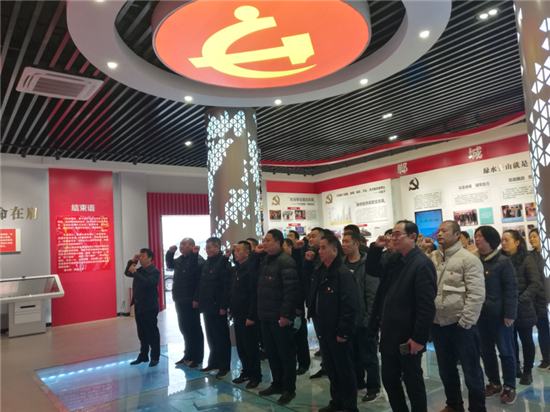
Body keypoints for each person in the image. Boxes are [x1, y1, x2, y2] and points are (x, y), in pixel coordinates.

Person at [365, 220, 437, 412]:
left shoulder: (422, 264)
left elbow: (426, 306)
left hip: (408, 336)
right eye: (392, 234)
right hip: (389, 332)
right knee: (389, 379)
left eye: (398, 234)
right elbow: (372, 270)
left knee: (413, 382)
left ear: (412, 237)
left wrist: (419, 338)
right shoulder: (394, 259)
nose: (393, 238)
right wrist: (376, 248)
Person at [419, 221, 486, 412]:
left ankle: (478, 408)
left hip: (460, 325)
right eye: (438, 230)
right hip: (438, 324)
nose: (439, 233)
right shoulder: (432, 257)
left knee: (472, 371)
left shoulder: (468, 259)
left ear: (457, 235)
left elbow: (476, 294)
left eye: (444, 230)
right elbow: (416, 268)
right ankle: (454, 405)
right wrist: (421, 248)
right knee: (446, 370)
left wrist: (466, 322)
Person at [305, 235, 359, 412]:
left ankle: (350, 406)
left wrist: (343, 331)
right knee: (332, 369)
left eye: (323, 248)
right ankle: (337, 401)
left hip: (338, 331)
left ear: (334, 250)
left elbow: (349, 305)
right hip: (324, 328)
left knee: (344, 370)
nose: (319, 251)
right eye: (319, 248)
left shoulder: (342, 273)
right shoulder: (321, 271)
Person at [471, 226, 518, 405]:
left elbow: (511, 289)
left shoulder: (503, 261)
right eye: (475, 236)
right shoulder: (475, 260)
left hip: (500, 316)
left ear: (491, 240)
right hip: (480, 315)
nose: (476, 239)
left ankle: (509, 386)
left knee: (506, 352)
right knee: (486, 352)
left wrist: (509, 314)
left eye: (480, 236)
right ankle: (494, 383)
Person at [255, 229, 300, 405]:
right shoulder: (266, 260)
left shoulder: (286, 261)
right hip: (265, 314)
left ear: (278, 243)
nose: (264, 243)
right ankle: (277, 383)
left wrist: (285, 315)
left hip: (279, 317)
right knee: (272, 353)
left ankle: (289, 389)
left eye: (268, 240)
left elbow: (291, 291)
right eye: (263, 240)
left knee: (285, 354)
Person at [341, 230, 381, 403]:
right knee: (354, 356)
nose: (343, 245)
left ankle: (374, 388)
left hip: (364, 321)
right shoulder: (341, 264)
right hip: (348, 321)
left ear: (357, 244)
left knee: (369, 357)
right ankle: (359, 383)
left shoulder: (366, 265)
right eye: (342, 241)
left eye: (347, 241)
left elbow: (372, 296)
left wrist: (369, 320)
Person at [501, 230, 540, 385]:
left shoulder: (526, 259)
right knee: (510, 341)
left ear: (517, 242)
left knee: (526, 341)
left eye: (507, 240)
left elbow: (534, 284)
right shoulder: (500, 259)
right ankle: (515, 367)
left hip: (523, 309)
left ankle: (527, 371)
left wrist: (519, 302)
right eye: (502, 240)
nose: (503, 243)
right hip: (505, 309)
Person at [224, 241, 262, 389]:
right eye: (235, 250)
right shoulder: (236, 269)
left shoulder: (250, 269)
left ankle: (255, 375)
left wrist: (251, 316)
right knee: (241, 346)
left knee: (251, 347)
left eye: (239, 250)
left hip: (247, 315)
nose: (236, 253)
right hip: (237, 314)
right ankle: (246, 372)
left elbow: (253, 294)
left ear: (247, 253)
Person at [193, 237, 232, 378]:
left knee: (221, 337)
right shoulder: (207, 262)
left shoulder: (225, 263)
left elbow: (226, 287)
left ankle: (224, 367)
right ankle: (213, 363)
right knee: (211, 337)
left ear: (218, 248)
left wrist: (223, 305)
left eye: (210, 247)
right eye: (206, 248)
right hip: (207, 305)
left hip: (217, 305)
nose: (207, 250)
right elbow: (201, 283)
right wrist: (197, 299)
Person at [166, 238, 205, 369]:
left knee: (194, 329)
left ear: (193, 246)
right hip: (180, 299)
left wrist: (196, 298)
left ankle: (198, 358)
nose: (181, 246)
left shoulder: (198, 260)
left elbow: (199, 282)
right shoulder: (180, 260)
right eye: (181, 244)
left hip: (191, 300)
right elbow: (170, 265)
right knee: (184, 328)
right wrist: (170, 253)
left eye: (184, 244)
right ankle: (188, 355)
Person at [297, 227, 328, 379]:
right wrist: (307, 261)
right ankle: (325, 366)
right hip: (314, 304)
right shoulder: (311, 255)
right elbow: (306, 278)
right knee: (321, 338)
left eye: (314, 236)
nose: (310, 239)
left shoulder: (327, 259)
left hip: (326, 306)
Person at [124, 248, 161, 367]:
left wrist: (135, 272)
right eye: (139, 256)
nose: (141, 259)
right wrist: (133, 261)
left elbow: (146, 283)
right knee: (141, 333)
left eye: (143, 256)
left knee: (152, 333)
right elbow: (127, 273)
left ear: (150, 258)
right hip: (139, 305)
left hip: (149, 306)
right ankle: (143, 355)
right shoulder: (140, 269)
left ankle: (155, 357)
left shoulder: (154, 271)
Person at [283, 238, 310, 375]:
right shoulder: (279, 262)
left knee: (300, 336)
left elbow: (300, 285)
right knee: (288, 338)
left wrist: (299, 305)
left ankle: (304, 363)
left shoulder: (295, 262)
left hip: (296, 306)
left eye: (284, 246)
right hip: (284, 306)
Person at [529, 229, 550, 370]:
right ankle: (546, 359)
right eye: (530, 237)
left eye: (534, 236)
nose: (532, 239)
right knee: (542, 330)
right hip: (537, 301)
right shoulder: (529, 256)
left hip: (546, 297)